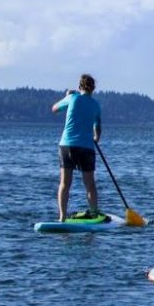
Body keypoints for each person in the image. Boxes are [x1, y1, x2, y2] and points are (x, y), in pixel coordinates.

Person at [51, 74, 102, 221]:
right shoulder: (96, 105)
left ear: (80, 87)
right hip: (86, 146)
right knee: (90, 184)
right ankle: (93, 214)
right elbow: (97, 129)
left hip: (66, 145)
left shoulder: (72, 98)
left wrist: (67, 96)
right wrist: (95, 139)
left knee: (65, 183)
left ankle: (62, 217)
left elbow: (54, 109)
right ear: (93, 89)